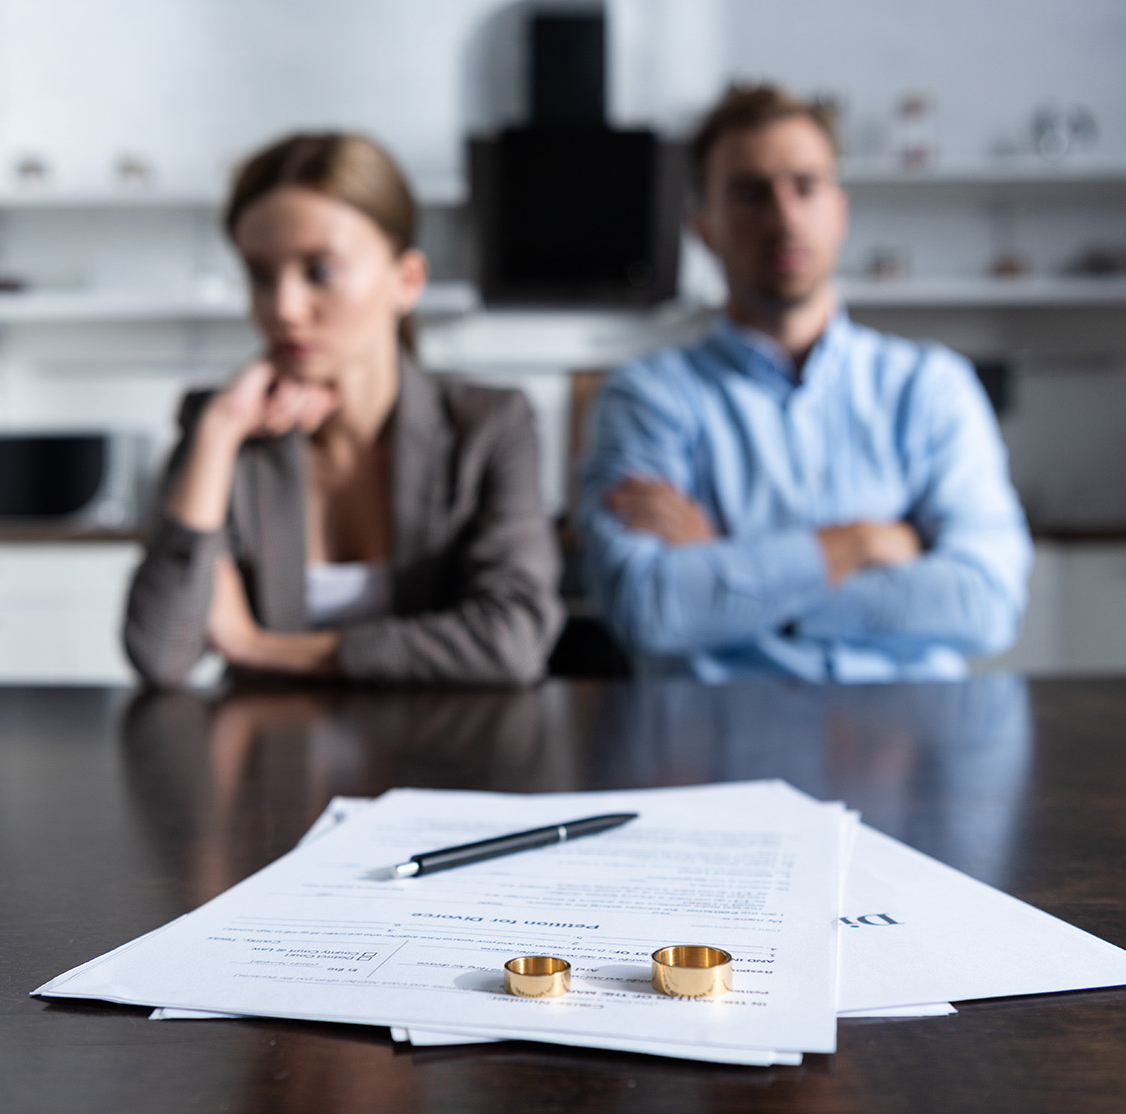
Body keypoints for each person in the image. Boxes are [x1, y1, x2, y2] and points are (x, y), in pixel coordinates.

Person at [576, 84, 1032, 682]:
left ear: (840, 210)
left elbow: (987, 603)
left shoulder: (930, 388)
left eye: (806, 186)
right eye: (749, 194)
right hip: (718, 746)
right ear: (704, 230)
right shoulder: (646, 399)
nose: (785, 217)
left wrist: (728, 578)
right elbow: (651, 606)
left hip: (911, 747)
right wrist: (860, 545)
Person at [125, 132, 562, 687]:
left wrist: (260, 649)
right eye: (260, 275)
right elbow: (159, 655)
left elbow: (514, 641)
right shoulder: (224, 428)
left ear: (406, 281)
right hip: (272, 764)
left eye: (320, 272)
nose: (283, 309)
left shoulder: (488, 425)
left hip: (439, 759)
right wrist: (219, 432)